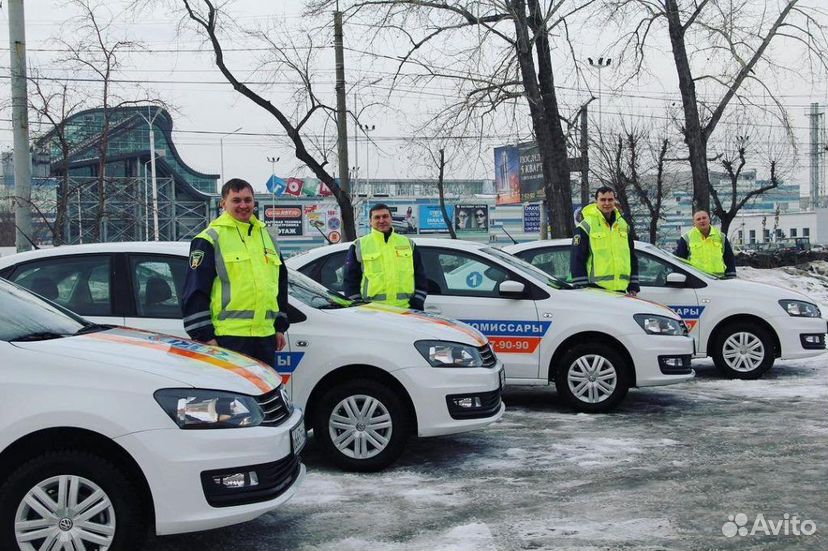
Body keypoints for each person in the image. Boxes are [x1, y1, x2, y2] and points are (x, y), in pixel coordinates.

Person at [182, 178, 289, 367]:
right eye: (236, 200)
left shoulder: (267, 236)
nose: (243, 205)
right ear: (223, 203)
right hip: (228, 340)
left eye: (248, 200)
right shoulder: (209, 238)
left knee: (265, 394)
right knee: (233, 396)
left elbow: (280, 283)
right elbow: (195, 290)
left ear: (254, 202)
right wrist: (206, 338)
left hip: (265, 337)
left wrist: (279, 326)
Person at [343, 203, 428, 309]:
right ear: (370, 221)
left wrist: (417, 301)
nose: (382, 220)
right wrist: (358, 305)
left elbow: (420, 276)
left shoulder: (408, 244)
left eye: (385, 216)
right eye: (377, 217)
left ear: (391, 218)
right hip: (373, 313)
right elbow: (350, 281)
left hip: (406, 311)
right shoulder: (358, 245)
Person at [570, 186, 640, 296]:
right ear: (596, 201)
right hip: (596, 292)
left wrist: (633, 286)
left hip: (621, 291)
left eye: (610, 200)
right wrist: (581, 287)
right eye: (603, 200)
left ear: (614, 201)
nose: (607, 203)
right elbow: (577, 258)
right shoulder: (586, 225)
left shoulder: (623, 225)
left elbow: (631, 257)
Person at [675, 210, 736, 278]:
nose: (702, 221)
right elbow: (680, 261)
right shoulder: (686, 238)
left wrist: (731, 276)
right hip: (697, 280)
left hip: (719, 279)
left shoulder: (721, 236)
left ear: (709, 219)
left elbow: (729, 258)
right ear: (694, 223)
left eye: (704, 218)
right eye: (698, 219)